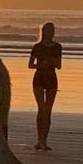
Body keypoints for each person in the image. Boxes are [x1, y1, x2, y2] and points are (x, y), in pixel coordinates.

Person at [28, 22, 61, 150]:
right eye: (48, 31)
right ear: (44, 32)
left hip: (52, 77)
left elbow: (59, 65)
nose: (51, 33)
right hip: (39, 77)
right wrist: (41, 65)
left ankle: (45, 140)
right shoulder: (37, 47)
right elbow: (30, 65)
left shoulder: (57, 46)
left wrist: (52, 60)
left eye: (52, 31)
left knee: (48, 110)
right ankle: (39, 139)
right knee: (41, 109)